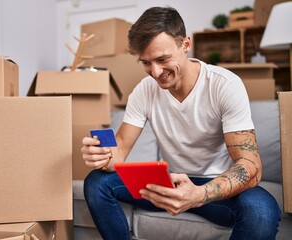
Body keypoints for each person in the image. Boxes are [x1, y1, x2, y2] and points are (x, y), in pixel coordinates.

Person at [81, 6, 281, 240]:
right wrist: (102, 155)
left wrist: (199, 194)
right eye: (146, 63)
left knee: (262, 208)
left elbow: (251, 168)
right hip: (171, 184)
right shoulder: (143, 92)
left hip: (216, 186)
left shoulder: (224, 85)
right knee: (96, 182)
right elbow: (119, 152)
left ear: (186, 44)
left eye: (162, 59)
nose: (155, 72)